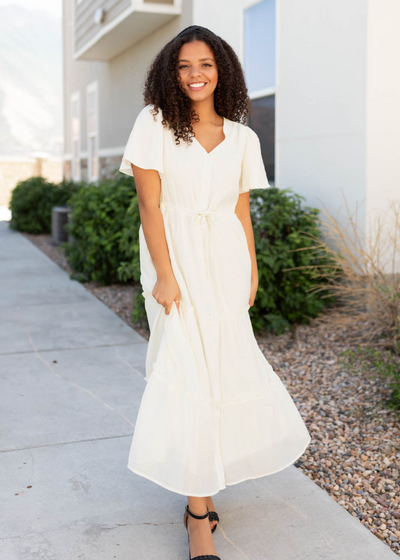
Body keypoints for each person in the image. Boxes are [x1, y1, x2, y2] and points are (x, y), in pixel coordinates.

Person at [119, 25, 311, 560]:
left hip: (225, 263)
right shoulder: (154, 124)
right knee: (185, 371)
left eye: (204, 63)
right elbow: (150, 208)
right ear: (170, 73)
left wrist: (250, 270)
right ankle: (198, 516)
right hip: (174, 261)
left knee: (222, 370)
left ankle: (203, 487)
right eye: (183, 65)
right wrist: (164, 273)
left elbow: (240, 210)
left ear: (221, 69)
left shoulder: (243, 137)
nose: (194, 74)